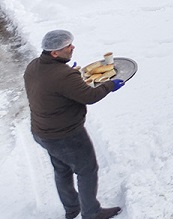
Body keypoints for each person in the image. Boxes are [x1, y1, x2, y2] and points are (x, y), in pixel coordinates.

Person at [23, 30, 124, 219]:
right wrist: (110, 85)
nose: (73, 47)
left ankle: (71, 208)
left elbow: (51, 88)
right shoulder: (64, 75)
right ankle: (91, 212)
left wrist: (72, 77)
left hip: (42, 132)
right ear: (54, 53)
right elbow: (90, 96)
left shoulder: (33, 66)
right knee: (87, 170)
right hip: (66, 136)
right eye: (68, 46)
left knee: (62, 170)